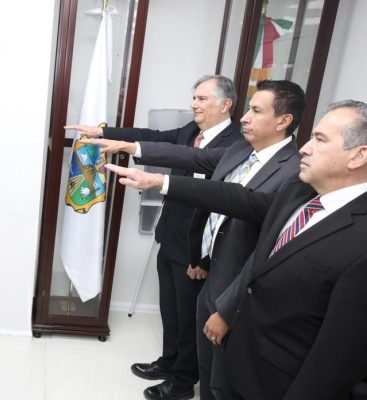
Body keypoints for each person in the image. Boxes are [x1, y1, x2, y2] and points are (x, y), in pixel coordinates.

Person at [106, 100, 367, 400]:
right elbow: (240, 205)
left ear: (358, 155)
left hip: (281, 381)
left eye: (320, 139)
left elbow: (337, 357)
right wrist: (160, 182)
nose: (306, 148)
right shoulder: (299, 192)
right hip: (239, 355)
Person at [81, 80, 304, 400]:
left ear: (283, 121)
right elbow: (191, 157)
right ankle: (180, 372)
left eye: (256, 111)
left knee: (223, 375)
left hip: (237, 285)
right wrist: (131, 147)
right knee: (206, 361)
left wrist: (160, 182)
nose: (244, 118)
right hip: (210, 267)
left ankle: (184, 381)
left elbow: (236, 201)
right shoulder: (243, 149)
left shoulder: (294, 171)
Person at [66, 75, 241, 400]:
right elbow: (153, 137)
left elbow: (224, 207)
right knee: (170, 311)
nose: (194, 104)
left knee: (188, 318)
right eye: (194, 97)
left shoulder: (235, 145)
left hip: (196, 250)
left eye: (202, 99)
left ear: (225, 104)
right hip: (170, 236)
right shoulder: (192, 131)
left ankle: (182, 381)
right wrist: (103, 132)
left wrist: (202, 258)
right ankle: (169, 361)